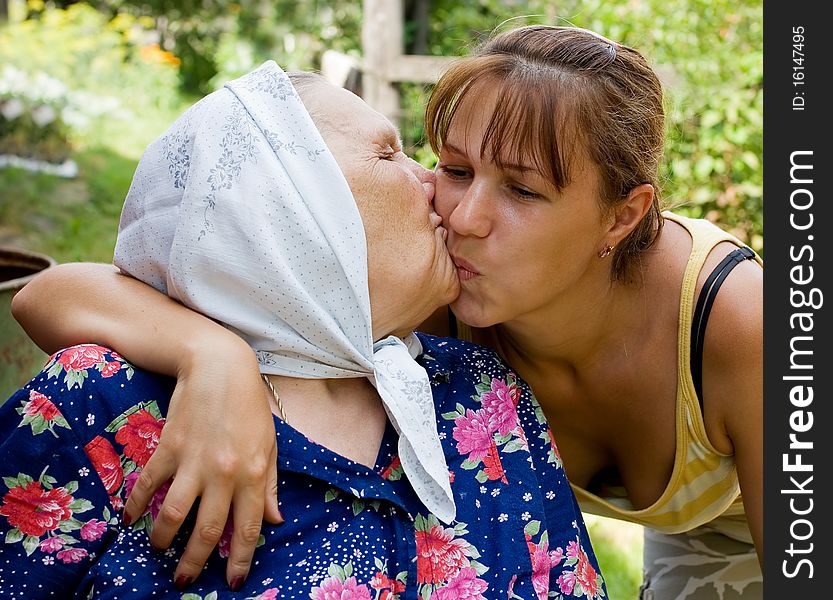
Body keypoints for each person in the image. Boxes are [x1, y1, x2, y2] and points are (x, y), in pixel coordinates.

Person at [13, 24, 763, 599]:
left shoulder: (744, 324)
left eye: (523, 191)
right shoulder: (433, 306)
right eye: (452, 167)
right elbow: (54, 291)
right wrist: (215, 355)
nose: (461, 215)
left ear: (620, 219)